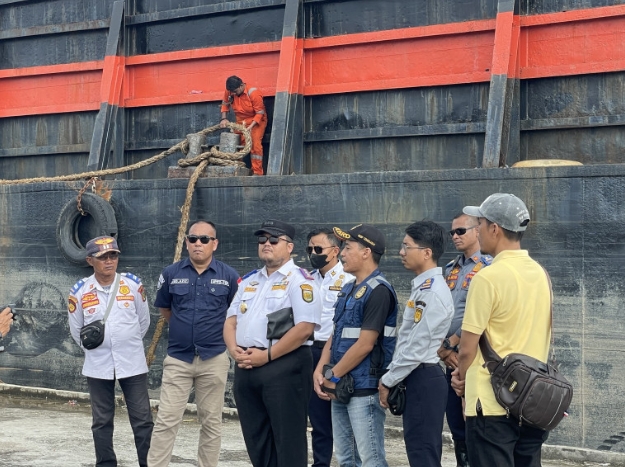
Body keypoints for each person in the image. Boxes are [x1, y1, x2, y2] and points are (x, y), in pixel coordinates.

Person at [451, 193, 551, 467]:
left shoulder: (487, 277)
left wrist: (461, 382)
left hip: (491, 402)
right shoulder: (540, 273)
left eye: (480, 224)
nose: (478, 232)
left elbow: (468, 347)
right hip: (532, 399)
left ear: (494, 228)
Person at [224, 219, 321, 467]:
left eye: (274, 240)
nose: (267, 244)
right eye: (262, 240)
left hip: (284, 365)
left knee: (288, 440)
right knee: (257, 439)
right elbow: (231, 321)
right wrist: (234, 350)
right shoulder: (249, 281)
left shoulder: (301, 280)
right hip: (247, 365)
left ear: (289, 246)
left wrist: (266, 356)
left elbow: (304, 328)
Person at [148, 221, 239, 467]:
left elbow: (235, 315)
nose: (198, 243)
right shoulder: (170, 274)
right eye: (193, 238)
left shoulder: (229, 276)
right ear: (187, 242)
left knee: (211, 422)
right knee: (166, 420)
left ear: (215, 244)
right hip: (179, 359)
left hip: (214, 358)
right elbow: (166, 309)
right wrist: (184, 329)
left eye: (205, 239)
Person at [314, 224, 397, 467]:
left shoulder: (379, 290)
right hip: (341, 386)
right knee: (346, 458)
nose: (341, 253)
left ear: (366, 252)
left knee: (370, 459)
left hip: (363, 388)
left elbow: (365, 345)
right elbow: (336, 332)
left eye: (347, 247)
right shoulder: (349, 288)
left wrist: (332, 375)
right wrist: (320, 369)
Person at [67, 236, 153, 467]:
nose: (109, 261)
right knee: (102, 421)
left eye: (113, 255)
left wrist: (126, 343)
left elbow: (143, 323)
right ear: (89, 260)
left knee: (143, 419)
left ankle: (149, 463)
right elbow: (77, 331)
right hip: (98, 365)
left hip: (132, 362)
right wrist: (99, 349)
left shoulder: (133, 285)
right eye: (102, 257)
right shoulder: (79, 292)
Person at [379, 221, 454, 467]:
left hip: (423, 376)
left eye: (406, 246)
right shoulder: (423, 287)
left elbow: (417, 347)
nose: (401, 252)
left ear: (426, 253)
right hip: (417, 376)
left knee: (423, 453)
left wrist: (388, 380)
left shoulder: (432, 292)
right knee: (419, 450)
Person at [437, 213, 491, 467]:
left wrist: (452, 345)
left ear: (477, 231)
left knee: (475, 422)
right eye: (452, 233)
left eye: (460, 231)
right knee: (456, 424)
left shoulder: (489, 268)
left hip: (474, 355)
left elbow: (479, 316)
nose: (455, 237)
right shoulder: (450, 269)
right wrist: (445, 350)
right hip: (449, 357)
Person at [306, 228, 354, 467]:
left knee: (340, 411)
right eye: (310, 249)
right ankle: (320, 463)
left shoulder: (348, 279)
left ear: (335, 251)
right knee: (317, 415)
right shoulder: (307, 279)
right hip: (308, 350)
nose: (313, 253)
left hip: (335, 354)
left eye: (318, 249)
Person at [219, 75, 267, 175]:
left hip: (256, 120)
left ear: (241, 86)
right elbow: (225, 104)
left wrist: (250, 127)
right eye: (231, 92)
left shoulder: (254, 93)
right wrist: (224, 119)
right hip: (240, 121)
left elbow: (260, 113)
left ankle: (257, 172)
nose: (233, 94)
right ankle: (236, 168)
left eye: (235, 91)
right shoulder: (230, 91)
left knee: (255, 144)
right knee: (237, 143)